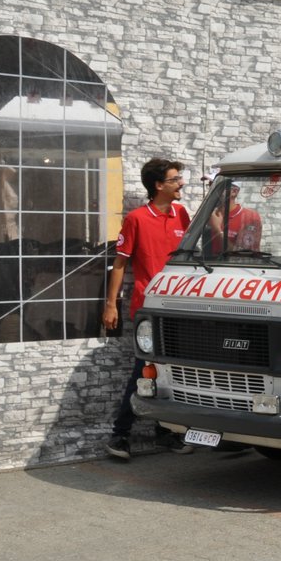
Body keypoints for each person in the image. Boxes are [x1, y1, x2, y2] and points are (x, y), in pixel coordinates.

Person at [103, 158, 193, 461]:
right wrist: (111, 304)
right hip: (148, 309)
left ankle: (165, 432)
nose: (181, 183)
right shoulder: (137, 219)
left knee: (169, 373)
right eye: (175, 179)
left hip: (179, 309)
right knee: (144, 370)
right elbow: (120, 264)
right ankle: (120, 435)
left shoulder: (183, 215)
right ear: (158, 186)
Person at [209, 182, 261, 252]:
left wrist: (217, 230)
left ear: (234, 191)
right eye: (210, 186)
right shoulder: (209, 214)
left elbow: (244, 256)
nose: (211, 191)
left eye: (218, 187)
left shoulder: (249, 217)